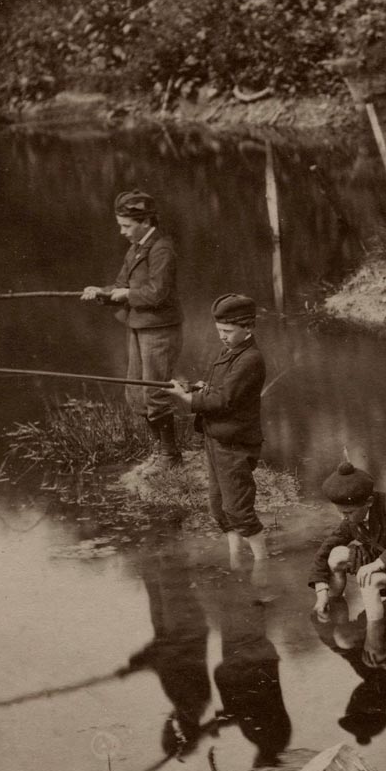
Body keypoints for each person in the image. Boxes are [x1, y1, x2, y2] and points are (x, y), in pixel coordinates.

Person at [161, 293, 269, 563]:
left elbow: (225, 400)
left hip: (235, 445)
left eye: (228, 331)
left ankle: (262, 561)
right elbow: (221, 388)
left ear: (248, 328)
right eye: (219, 330)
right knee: (218, 507)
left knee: (238, 508)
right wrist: (201, 388)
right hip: (216, 438)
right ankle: (235, 555)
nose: (222, 336)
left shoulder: (251, 359)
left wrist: (187, 398)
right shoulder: (231, 351)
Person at [81, 189, 184, 466]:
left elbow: (157, 293)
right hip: (139, 326)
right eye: (120, 225)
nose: (122, 231)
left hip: (160, 329)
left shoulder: (162, 248)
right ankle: (158, 449)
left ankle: (170, 455)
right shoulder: (135, 248)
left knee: (154, 391)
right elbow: (120, 285)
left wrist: (126, 295)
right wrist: (100, 292)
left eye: (126, 226)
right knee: (135, 393)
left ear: (146, 222)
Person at [310, 462, 386, 623]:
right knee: (335, 555)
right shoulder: (351, 519)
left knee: (368, 580)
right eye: (340, 512)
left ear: (369, 502)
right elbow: (326, 548)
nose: (343, 518)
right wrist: (321, 591)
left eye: (348, 512)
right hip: (383, 561)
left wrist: (378, 564)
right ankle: (333, 608)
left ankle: (373, 640)